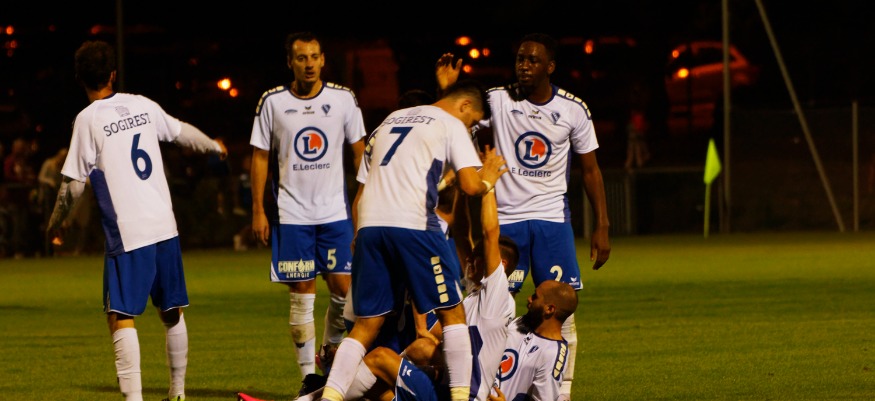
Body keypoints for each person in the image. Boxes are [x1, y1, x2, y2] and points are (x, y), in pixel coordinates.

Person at [45, 40, 227, 401]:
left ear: (79, 78)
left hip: (128, 231)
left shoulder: (88, 119)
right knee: (171, 311)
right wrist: (213, 145)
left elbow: (73, 184)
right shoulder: (143, 104)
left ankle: (134, 399)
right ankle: (177, 392)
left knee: (120, 314)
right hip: (164, 225)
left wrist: (56, 222)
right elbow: (180, 132)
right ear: (113, 74)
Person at [436, 32, 612, 401]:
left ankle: (562, 392)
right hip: (506, 222)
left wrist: (602, 224)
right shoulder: (497, 100)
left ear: (550, 67)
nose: (524, 66)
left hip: (551, 221)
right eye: (520, 59)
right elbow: (457, 119)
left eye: (533, 60)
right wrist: (449, 90)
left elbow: (591, 170)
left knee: (561, 310)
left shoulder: (573, 109)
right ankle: (486, 385)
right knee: (490, 304)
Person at [318, 79, 504, 401]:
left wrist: (360, 235)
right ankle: (462, 398)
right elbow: (470, 186)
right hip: (414, 224)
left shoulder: (388, 121)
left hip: (369, 227)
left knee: (366, 326)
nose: (468, 127)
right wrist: (488, 177)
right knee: (452, 314)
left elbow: (361, 192)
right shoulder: (450, 123)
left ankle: (329, 398)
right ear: (464, 106)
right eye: (471, 121)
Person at [294, 149, 516, 401]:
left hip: (465, 395)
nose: (469, 259)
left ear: (501, 264)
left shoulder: (498, 294)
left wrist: (487, 187)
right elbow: (463, 234)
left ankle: (312, 398)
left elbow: (490, 234)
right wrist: (464, 188)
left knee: (380, 359)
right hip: (447, 386)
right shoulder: (478, 293)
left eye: (477, 256)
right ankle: (324, 388)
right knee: (383, 384)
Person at [249, 31, 367, 385]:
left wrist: (366, 198)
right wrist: (258, 209)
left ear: (323, 59)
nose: (309, 64)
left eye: (315, 56)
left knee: (345, 292)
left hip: (335, 214)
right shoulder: (272, 102)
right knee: (302, 295)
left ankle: (329, 359)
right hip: (292, 215)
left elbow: (360, 152)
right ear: (290, 62)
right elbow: (260, 157)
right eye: (302, 58)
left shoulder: (343, 99)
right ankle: (307, 378)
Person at [494, 280, 578, 401]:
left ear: (549, 309)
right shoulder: (520, 323)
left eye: (535, 297)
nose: (529, 298)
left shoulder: (552, 353)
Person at [38, 147, 68, 255]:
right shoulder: (49, 163)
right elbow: (41, 177)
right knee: (48, 223)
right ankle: (48, 249)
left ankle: (58, 248)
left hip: (58, 199)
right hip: (47, 199)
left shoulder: (64, 168)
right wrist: (50, 181)